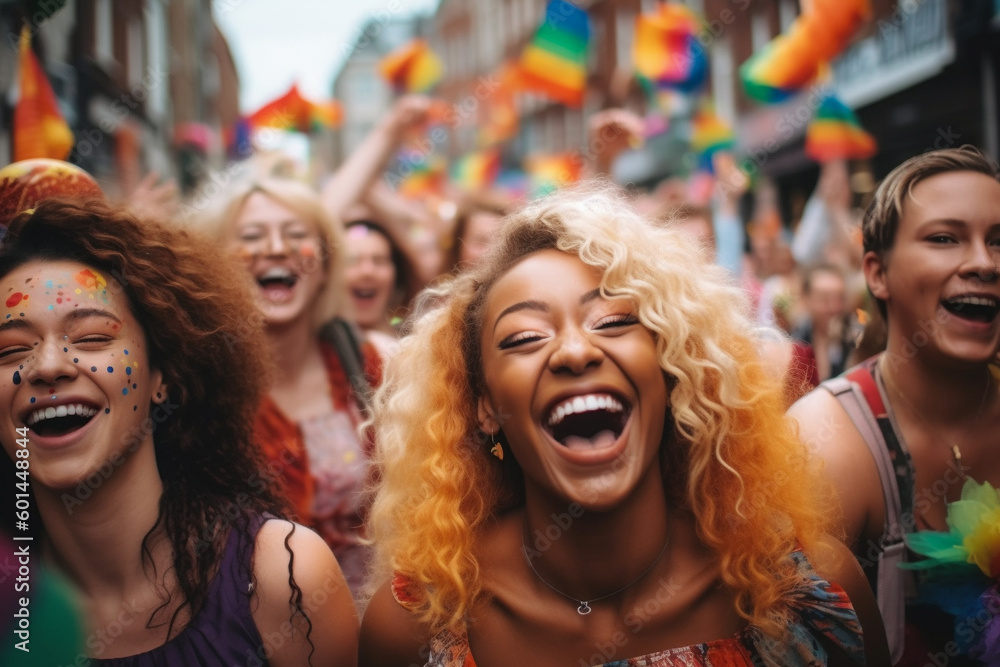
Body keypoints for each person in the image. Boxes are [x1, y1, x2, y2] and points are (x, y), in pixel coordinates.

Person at [360, 184, 889, 666]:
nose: (574, 350)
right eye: (524, 337)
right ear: (482, 406)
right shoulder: (413, 626)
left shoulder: (807, 594)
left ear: (671, 369)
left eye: (613, 322)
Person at [0, 198, 357, 666]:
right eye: (9, 349)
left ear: (162, 375)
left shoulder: (283, 579)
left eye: (91, 338)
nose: (46, 366)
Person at [788, 146, 1000, 665]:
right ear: (877, 274)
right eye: (945, 239)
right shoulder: (824, 442)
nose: (983, 262)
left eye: (999, 241)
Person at [198, 176, 381, 602]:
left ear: (325, 267)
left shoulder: (367, 365)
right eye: (251, 236)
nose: (277, 248)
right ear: (212, 264)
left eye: (297, 235)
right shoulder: (195, 389)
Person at [343, 219, 424, 360]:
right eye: (352, 260)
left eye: (379, 260)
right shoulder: (315, 349)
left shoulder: (418, 345)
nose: (367, 271)